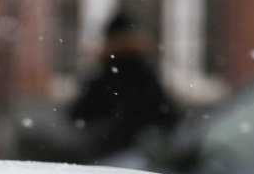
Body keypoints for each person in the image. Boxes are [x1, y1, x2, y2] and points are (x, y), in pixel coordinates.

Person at [68, 11, 179, 162]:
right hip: (141, 154)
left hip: (110, 152)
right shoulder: (143, 72)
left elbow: (80, 113)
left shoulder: (105, 74)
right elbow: (166, 115)